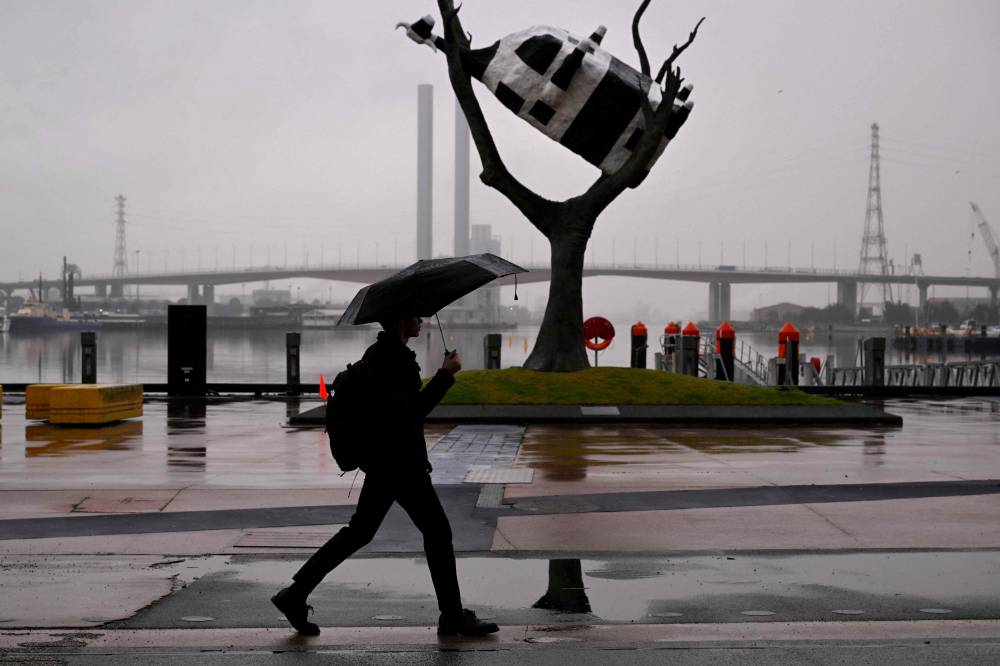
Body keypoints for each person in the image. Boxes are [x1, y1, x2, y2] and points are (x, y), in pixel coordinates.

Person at [272, 316, 499, 637]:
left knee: (360, 532)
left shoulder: (377, 355)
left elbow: (394, 412)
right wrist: (446, 375)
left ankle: (294, 595)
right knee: (436, 532)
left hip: (382, 461)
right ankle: (451, 616)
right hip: (400, 464)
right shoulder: (396, 360)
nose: (420, 320)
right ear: (400, 321)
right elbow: (410, 411)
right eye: (414, 316)